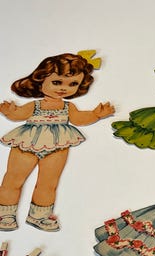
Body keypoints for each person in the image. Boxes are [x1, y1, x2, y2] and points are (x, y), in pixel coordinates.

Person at [0, 52, 114, 231]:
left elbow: (78, 119)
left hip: (57, 146)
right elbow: (19, 115)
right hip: (27, 143)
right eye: (57, 82)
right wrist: (10, 112)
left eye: (73, 84)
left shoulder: (68, 107)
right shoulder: (35, 105)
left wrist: (96, 114)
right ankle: (5, 214)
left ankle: (39, 216)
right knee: (14, 178)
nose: (63, 88)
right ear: (41, 79)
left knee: (49, 182)